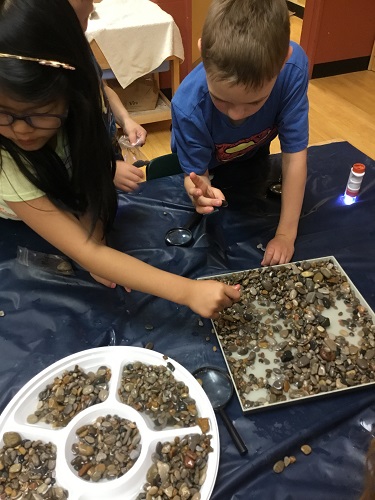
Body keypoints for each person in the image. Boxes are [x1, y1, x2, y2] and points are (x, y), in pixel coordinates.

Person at [0, 0, 241, 319]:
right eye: (4, 113)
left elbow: (87, 179)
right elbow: (86, 249)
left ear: (71, 94)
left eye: (39, 113)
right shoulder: (8, 158)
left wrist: (96, 241)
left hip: (70, 183)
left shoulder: (82, 101)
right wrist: (188, 291)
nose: (20, 130)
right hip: (21, 214)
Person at [171, 0, 309, 267]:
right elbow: (196, 176)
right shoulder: (188, 107)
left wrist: (285, 234)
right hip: (211, 166)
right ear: (203, 53)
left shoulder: (293, 70)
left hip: (253, 154)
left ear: (283, 61)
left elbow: (294, 157)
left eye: (255, 102)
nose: (236, 115)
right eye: (222, 101)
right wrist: (197, 191)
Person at [68, 0, 147, 193]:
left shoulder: (79, 44)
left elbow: (102, 88)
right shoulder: (54, 71)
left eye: (89, 17)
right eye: (82, 19)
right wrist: (104, 172)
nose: (86, 26)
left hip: (107, 156)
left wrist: (126, 120)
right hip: (85, 175)